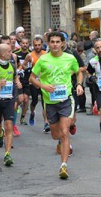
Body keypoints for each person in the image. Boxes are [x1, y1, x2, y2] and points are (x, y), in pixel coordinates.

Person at [29, 31, 83, 179]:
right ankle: (59, 140)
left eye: (57, 42)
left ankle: (63, 166)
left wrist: (79, 84)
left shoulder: (70, 58)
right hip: (50, 102)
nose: (55, 44)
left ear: (62, 43)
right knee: (55, 134)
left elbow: (79, 72)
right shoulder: (43, 60)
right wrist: (43, 86)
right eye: (52, 42)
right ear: (48, 43)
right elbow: (32, 78)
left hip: (65, 100)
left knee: (65, 132)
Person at [0, 43, 21, 166]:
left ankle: (7, 154)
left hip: (9, 100)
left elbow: (14, 77)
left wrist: (17, 83)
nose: (11, 53)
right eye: (9, 51)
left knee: (9, 125)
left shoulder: (12, 64)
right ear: (2, 54)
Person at [23, 35, 47, 128]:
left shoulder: (46, 54)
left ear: (42, 45)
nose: (37, 47)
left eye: (39, 45)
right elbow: (23, 65)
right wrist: (29, 69)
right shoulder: (30, 55)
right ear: (33, 46)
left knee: (44, 102)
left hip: (44, 81)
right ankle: (32, 112)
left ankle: (46, 123)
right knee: (35, 101)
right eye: (35, 45)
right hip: (33, 81)